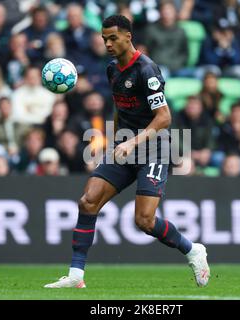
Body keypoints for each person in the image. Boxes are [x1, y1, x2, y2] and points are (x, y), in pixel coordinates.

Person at [44, 15, 210, 289]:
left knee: (144, 221)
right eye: (104, 38)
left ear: (128, 37)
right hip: (124, 146)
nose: (107, 43)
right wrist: (115, 141)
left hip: (154, 148)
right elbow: (121, 109)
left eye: (112, 38)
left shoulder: (147, 70)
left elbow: (164, 117)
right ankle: (76, 276)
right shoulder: (112, 69)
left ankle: (192, 250)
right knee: (88, 201)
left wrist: (132, 143)